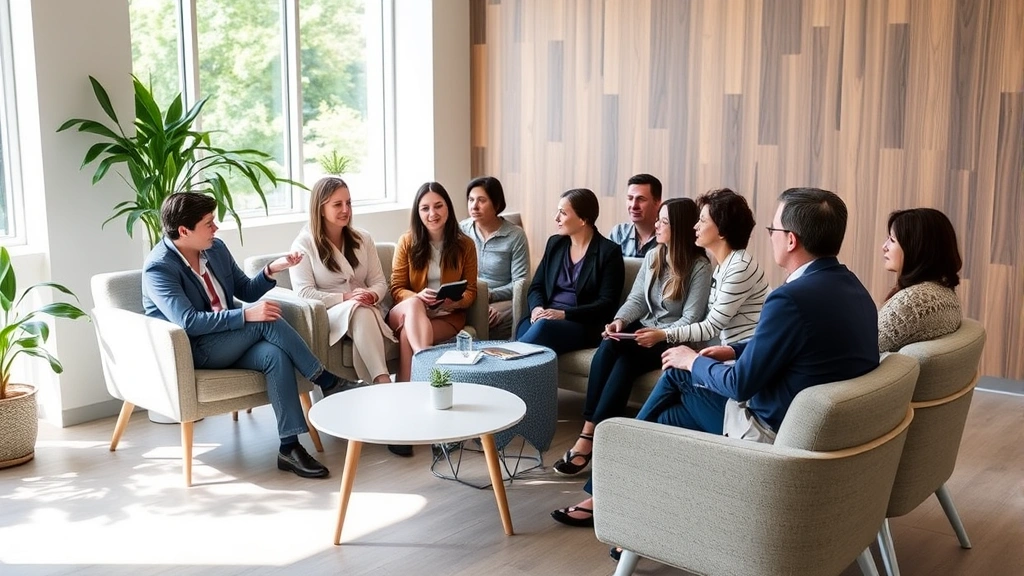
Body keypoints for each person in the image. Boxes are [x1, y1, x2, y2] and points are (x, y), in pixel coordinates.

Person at [551, 187, 879, 529]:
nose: (770, 238)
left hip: (771, 436)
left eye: (773, 231)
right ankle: (632, 514)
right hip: (816, 433)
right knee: (667, 419)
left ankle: (607, 496)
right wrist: (734, 350)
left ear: (791, 240)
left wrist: (692, 361)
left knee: (677, 376)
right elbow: (801, 348)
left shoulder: (791, 299)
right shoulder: (854, 290)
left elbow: (740, 385)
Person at [142, 192, 362, 480]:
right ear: (184, 231)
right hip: (195, 349)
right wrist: (246, 316)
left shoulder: (214, 249)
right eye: (209, 223)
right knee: (264, 321)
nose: (216, 228)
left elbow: (244, 290)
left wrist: (272, 270)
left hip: (229, 339)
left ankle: (290, 447)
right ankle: (327, 380)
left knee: (274, 355)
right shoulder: (159, 268)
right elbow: (189, 321)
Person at [552, 198, 712, 477]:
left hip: (673, 337)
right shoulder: (654, 256)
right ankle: (592, 432)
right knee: (610, 342)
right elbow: (637, 299)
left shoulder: (699, 267)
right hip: (645, 327)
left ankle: (590, 438)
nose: (657, 225)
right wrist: (619, 320)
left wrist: (659, 334)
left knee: (626, 362)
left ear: (681, 227)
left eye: (664, 221)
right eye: (658, 220)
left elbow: (691, 319)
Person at [289, 176, 396, 385]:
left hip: (366, 308)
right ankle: (383, 381)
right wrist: (347, 297)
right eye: (337, 204)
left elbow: (379, 282)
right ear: (320, 208)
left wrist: (371, 294)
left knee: (361, 309)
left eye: (348, 203)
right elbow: (304, 294)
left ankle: (373, 385)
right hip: (329, 314)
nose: (345, 209)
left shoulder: (363, 238)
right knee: (358, 307)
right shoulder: (303, 244)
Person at [637, 188, 769, 348]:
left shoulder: (739, 267)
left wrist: (663, 334)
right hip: (732, 351)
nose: (695, 227)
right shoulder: (725, 266)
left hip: (744, 355)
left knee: (675, 370)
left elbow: (710, 327)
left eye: (703, 221)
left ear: (722, 231)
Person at [515, 188, 625, 354]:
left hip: (581, 324)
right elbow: (536, 286)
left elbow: (606, 304)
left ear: (582, 220)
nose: (556, 218)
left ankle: (505, 358)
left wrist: (564, 314)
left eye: (563, 213)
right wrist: (537, 308)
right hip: (544, 317)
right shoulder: (555, 244)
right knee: (530, 329)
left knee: (538, 334)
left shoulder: (608, 252)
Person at [388, 181, 478, 382]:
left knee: (406, 336)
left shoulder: (465, 245)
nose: (432, 214)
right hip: (406, 311)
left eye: (438, 206)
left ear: (448, 207)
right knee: (413, 304)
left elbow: (471, 290)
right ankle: (426, 364)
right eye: (425, 208)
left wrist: (457, 302)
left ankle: (405, 389)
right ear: (417, 213)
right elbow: (396, 288)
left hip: (445, 315)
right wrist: (417, 297)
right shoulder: (407, 242)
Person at [878, 208, 963, 353]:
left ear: (916, 249)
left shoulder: (912, 303)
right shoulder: (945, 294)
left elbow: (864, 351)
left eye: (892, 240)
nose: (884, 247)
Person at [459, 176, 530, 340]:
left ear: (496, 204)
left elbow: (521, 283)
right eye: (471, 200)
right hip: (469, 297)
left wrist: (491, 296)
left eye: (481, 200)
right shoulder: (461, 230)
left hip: (503, 300)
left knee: (500, 318)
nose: (474, 206)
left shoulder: (515, 236)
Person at [607, 173, 663, 258]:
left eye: (641, 199)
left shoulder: (668, 236)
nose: (634, 206)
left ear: (657, 202)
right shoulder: (619, 233)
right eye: (630, 198)